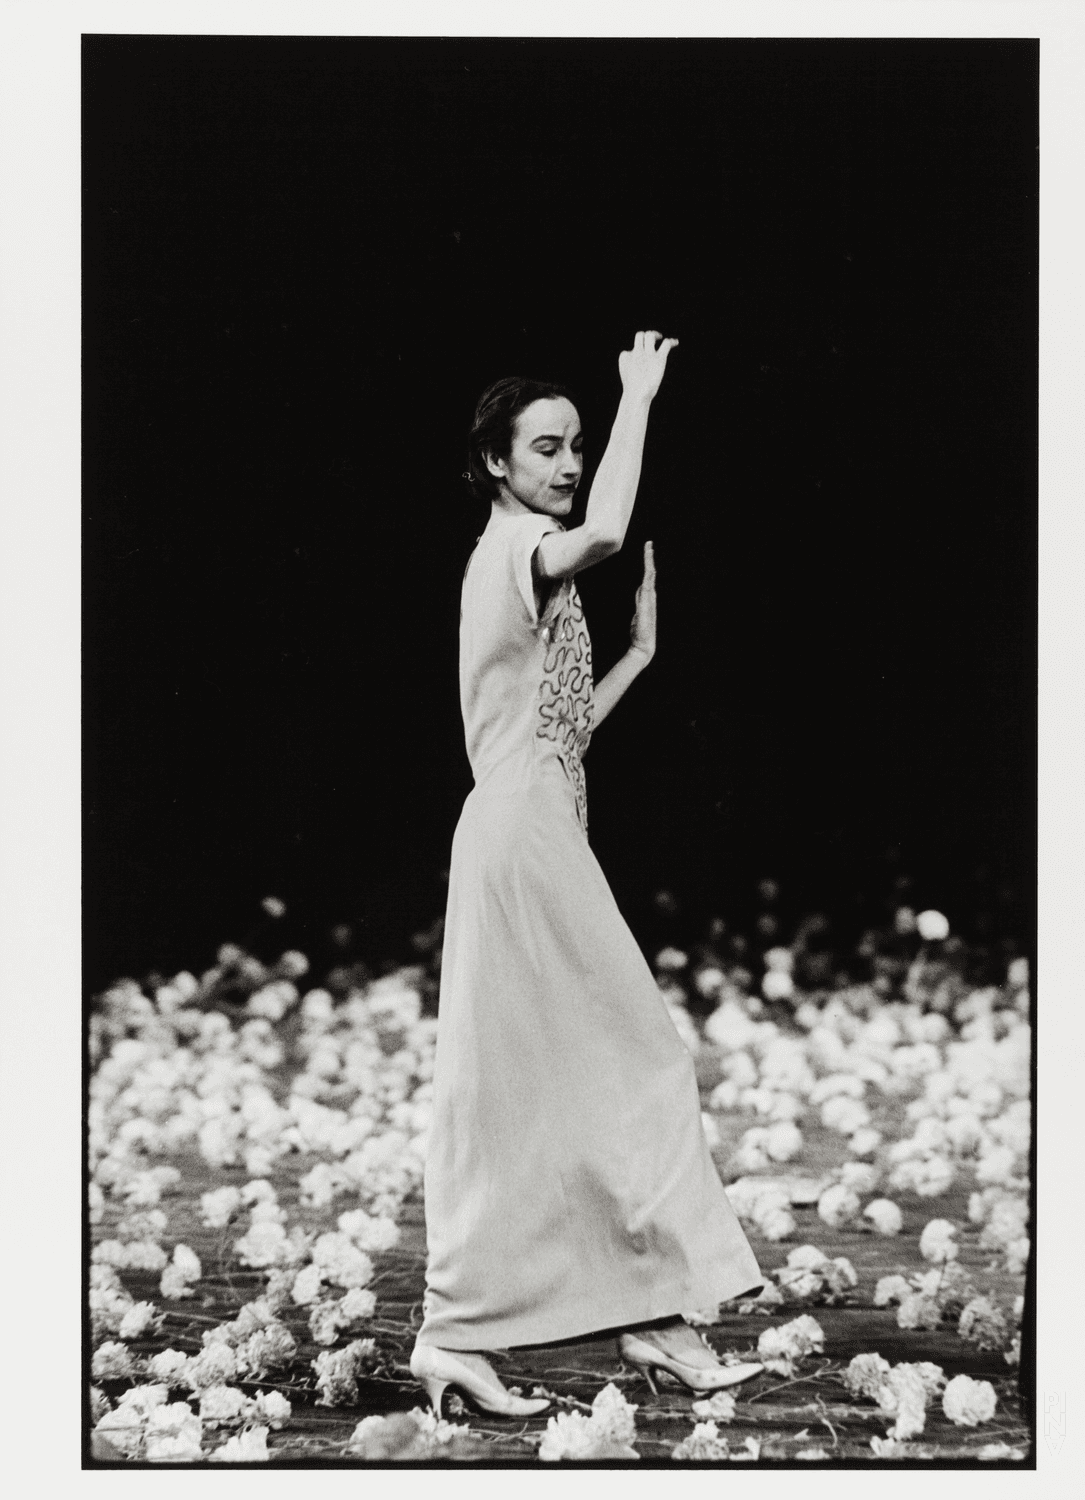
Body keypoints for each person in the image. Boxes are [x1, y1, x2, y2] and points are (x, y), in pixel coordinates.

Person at [409, 332, 764, 1419]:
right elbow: (608, 527)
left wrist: (636, 662)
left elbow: (553, 739)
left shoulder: (515, 563)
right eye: (549, 448)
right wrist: (637, 398)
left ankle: (510, 1333)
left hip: (533, 823)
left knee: (541, 1084)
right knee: (635, 1061)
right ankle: (624, 1320)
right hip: (523, 839)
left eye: (578, 446)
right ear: (497, 465)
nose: (569, 464)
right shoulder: (510, 553)